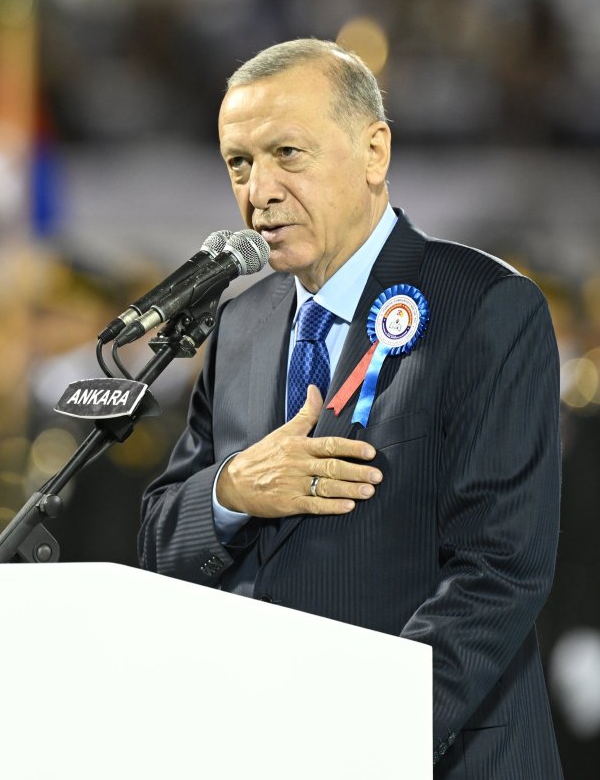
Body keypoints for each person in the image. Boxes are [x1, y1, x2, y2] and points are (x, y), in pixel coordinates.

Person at [137, 38, 562, 776]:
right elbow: (160, 538)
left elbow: (500, 568)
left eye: (287, 154)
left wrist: (371, 728)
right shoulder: (240, 324)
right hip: (261, 744)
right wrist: (232, 490)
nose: (258, 190)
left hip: (425, 751)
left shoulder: (485, 306)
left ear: (374, 152)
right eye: (239, 163)